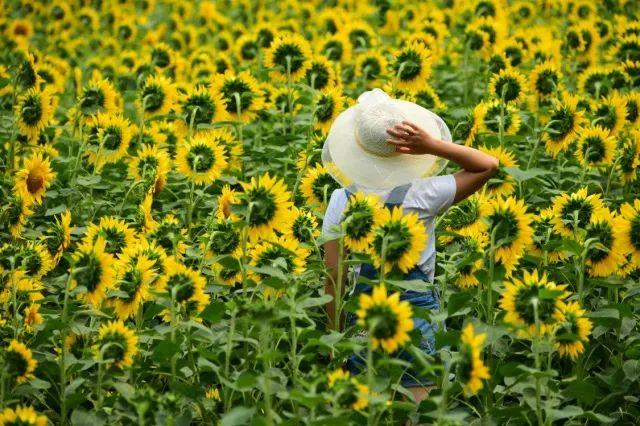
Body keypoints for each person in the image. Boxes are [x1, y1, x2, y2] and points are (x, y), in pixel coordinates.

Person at [321, 89, 498, 403]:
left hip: (366, 318)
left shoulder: (341, 200)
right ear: (406, 150)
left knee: (371, 409)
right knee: (417, 411)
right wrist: (431, 145)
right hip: (416, 315)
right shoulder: (425, 193)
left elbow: (333, 279)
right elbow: (487, 165)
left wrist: (337, 344)